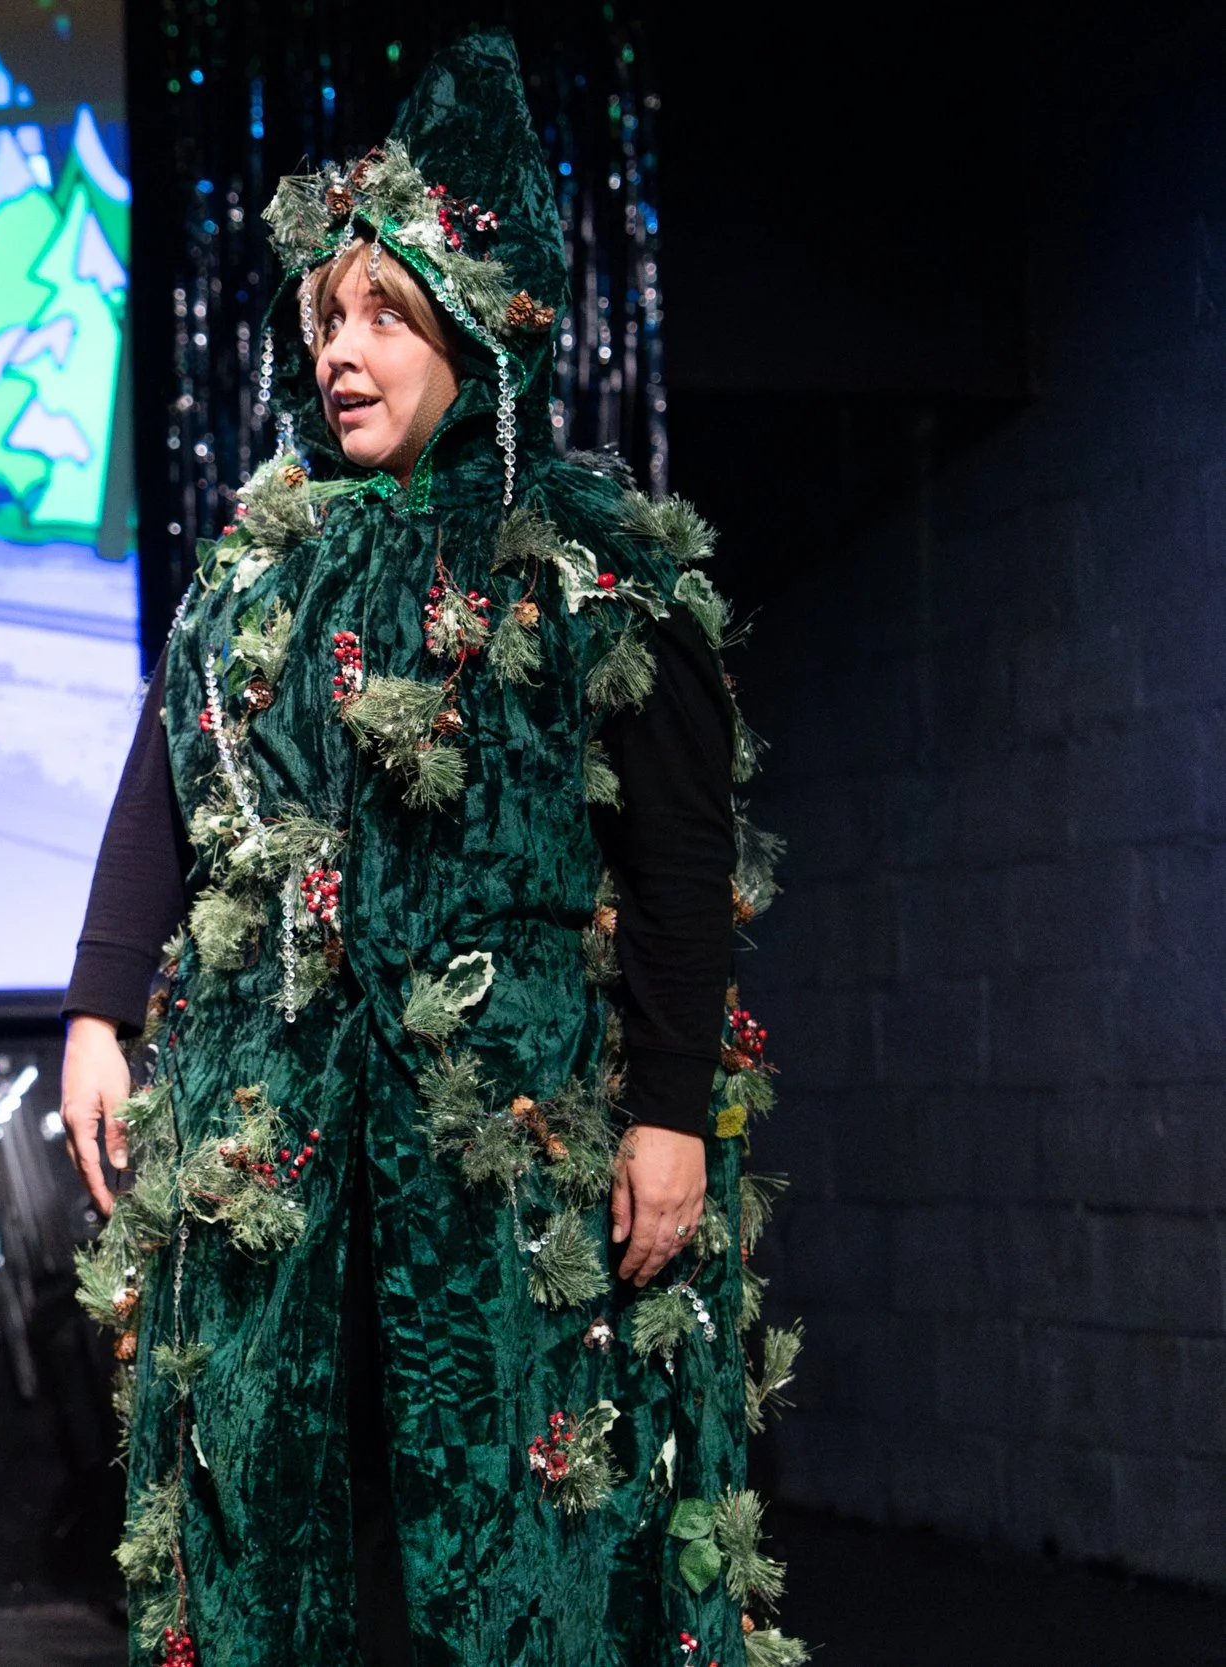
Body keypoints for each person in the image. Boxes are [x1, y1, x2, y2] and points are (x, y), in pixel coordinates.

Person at [58, 36, 805, 1667]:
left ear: (477, 330)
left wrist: (669, 1111)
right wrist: (100, 1008)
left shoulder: (587, 568)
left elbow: (679, 866)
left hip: (507, 1144)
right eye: (328, 317)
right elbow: (164, 781)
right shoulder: (259, 571)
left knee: (521, 1525)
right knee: (280, 1504)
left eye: (385, 315)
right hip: (283, 1124)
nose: (342, 349)